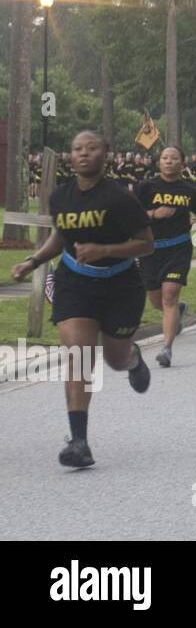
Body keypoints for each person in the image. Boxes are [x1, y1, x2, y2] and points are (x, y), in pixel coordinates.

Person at [12, 131, 155, 467]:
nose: (84, 154)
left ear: (106, 153)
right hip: (75, 282)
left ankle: (133, 359)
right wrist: (33, 260)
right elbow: (62, 235)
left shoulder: (120, 199)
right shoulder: (61, 196)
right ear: (70, 156)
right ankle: (79, 442)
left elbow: (146, 243)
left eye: (92, 148)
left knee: (114, 359)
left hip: (120, 284)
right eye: (77, 149)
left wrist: (105, 250)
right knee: (79, 355)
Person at [135, 144, 196, 367]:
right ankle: (178, 312)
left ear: (182, 163)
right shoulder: (146, 187)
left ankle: (166, 349)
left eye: (174, 158)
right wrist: (153, 213)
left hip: (178, 248)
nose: (169, 161)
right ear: (159, 163)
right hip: (150, 249)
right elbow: (130, 214)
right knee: (157, 300)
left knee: (169, 295)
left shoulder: (188, 190)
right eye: (165, 158)